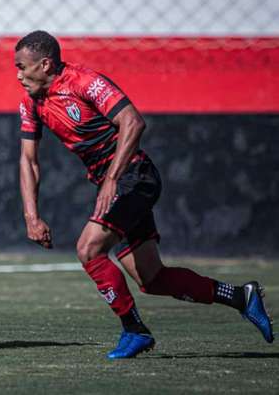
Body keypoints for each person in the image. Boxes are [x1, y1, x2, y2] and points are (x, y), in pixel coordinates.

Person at [14, 30, 274, 359]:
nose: (19, 75)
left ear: (45, 64)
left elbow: (133, 122)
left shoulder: (84, 82)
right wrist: (31, 216)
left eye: (22, 67)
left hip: (135, 177)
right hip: (115, 181)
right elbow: (28, 160)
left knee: (89, 249)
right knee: (151, 278)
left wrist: (111, 180)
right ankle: (241, 296)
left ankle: (134, 331)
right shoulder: (31, 103)